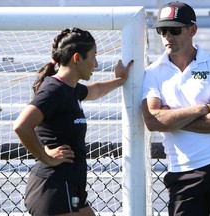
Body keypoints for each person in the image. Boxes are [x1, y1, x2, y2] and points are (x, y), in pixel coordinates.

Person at [142, 2, 210, 216]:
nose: (167, 36)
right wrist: (201, 108)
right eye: (162, 30)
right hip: (181, 171)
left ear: (193, 30)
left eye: (174, 29)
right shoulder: (152, 72)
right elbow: (153, 122)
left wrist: (171, 118)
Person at [13, 27, 133, 216]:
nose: (96, 64)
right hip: (53, 189)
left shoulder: (71, 89)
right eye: (93, 57)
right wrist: (46, 157)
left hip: (70, 187)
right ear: (77, 58)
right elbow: (21, 126)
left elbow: (95, 90)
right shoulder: (54, 91)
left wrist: (119, 80)